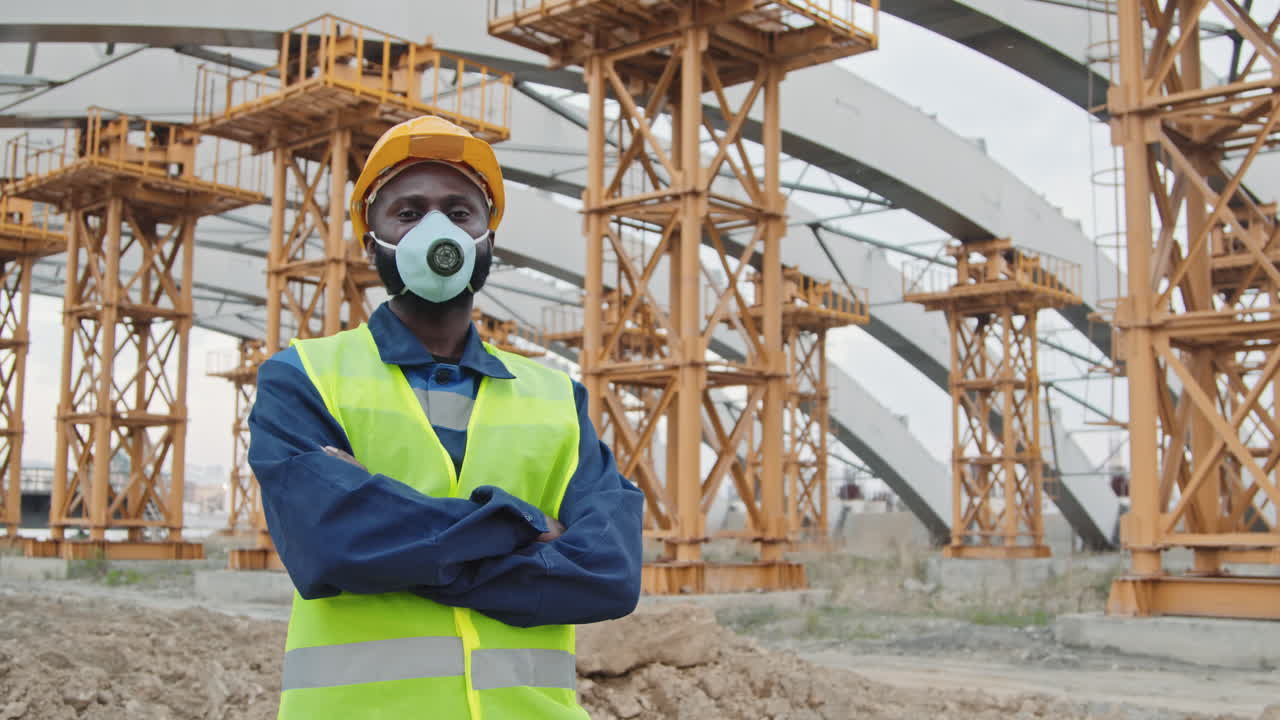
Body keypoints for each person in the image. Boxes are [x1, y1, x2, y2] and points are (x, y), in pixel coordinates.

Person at [247, 115, 645, 720]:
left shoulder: (556, 397)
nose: (438, 229)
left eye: (460, 213)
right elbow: (328, 546)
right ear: (370, 240)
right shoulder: (305, 377)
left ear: (488, 237)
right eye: (407, 213)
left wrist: (395, 545)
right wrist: (525, 525)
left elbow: (610, 573)